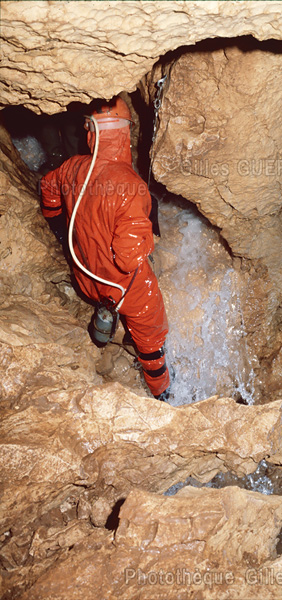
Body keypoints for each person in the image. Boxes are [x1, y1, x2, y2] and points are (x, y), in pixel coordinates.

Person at [40, 96, 170, 401]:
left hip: (87, 281)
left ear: (90, 131)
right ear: (125, 133)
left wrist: (59, 227)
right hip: (124, 289)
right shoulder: (130, 186)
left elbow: (48, 188)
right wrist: (147, 236)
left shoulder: (72, 167)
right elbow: (129, 259)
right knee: (151, 340)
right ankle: (164, 393)